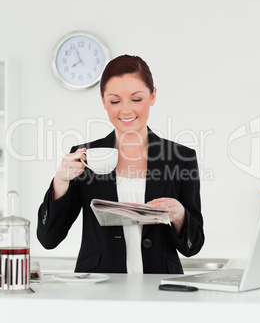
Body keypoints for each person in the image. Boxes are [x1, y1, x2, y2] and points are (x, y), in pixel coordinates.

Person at [37, 55, 204, 274]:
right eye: (115, 101)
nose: (126, 110)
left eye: (136, 99)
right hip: (99, 288)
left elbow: (194, 246)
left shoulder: (181, 157)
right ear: (103, 101)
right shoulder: (85, 157)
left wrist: (180, 215)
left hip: (161, 287)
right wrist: (60, 182)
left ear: (153, 96)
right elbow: (49, 239)